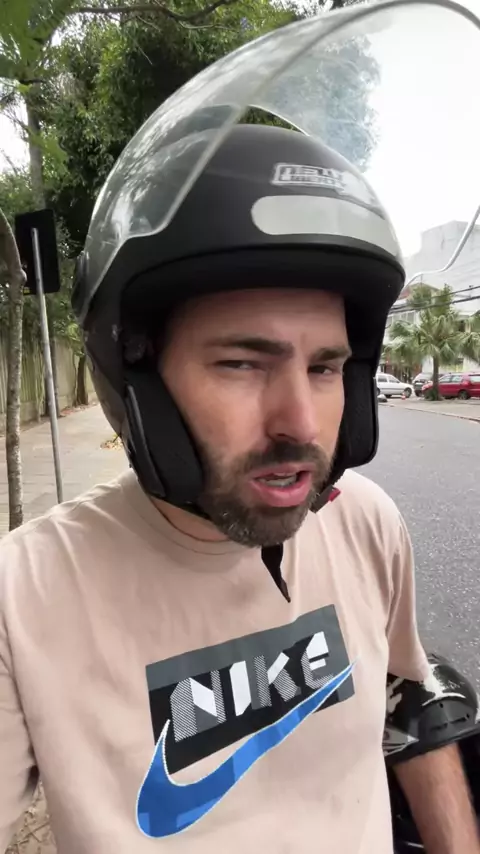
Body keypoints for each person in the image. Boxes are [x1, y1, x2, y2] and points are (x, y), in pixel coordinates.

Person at [0, 119, 479, 854]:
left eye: (324, 368)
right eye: (243, 364)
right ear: (136, 381)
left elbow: (409, 706)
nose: (301, 423)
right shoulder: (26, 596)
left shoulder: (367, 523)